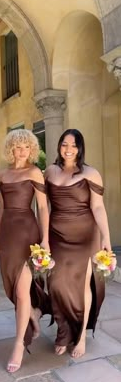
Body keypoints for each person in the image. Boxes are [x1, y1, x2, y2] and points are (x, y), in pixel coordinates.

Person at [44, 129, 112, 358]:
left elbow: (98, 207)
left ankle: (80, 335)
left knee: (82, 285)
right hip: (57, 235)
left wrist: (106, 239)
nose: (68, 149)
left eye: (73, 145)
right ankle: (64, 331)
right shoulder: (50, 171)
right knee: (56, 284)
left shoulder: (91, 173)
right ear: (59, 146)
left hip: (85, 236)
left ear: (80, 148)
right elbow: (43, 207)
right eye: (64, 144)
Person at [0, 129, 51, 373]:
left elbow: (42, 207)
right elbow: (3, 209)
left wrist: (46, 240)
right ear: (11, 149)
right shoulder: (3, 174)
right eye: (18, 147)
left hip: (28, 234)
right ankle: (34, 314)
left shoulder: (35, 172)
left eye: (26, 147)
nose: (22, 151)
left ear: (32, 149)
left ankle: (19, 344)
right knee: (14, 288)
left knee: (21, 289)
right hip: (7, 236)